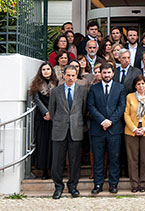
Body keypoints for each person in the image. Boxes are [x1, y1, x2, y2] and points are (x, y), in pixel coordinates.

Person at [48, 65, 88, 199]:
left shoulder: (83, 91)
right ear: (63, 75)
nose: (70, 78)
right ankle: (58, 187)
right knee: (57, 161)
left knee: (75, 160)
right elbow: (52, 111)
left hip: (76, 130)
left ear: (76, 76)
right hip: (59, 129)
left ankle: (73, 186)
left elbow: (84, 110)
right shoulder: (55, 91)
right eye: (68, 75)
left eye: (73, 75)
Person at [88, 63, 126, 194]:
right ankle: (98, 184)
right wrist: (102, 120)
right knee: (98, 158)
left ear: (113, 73)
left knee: (114, 158)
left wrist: (110, 121)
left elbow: (121, 107)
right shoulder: (94, 88)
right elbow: (91, 107)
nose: (107, 75)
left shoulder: (120, 88)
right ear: (100, 73)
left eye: (109, 72)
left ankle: (113, 184)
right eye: (104, 73)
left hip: (114, 129)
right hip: (98, 129)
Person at [123, 75, 145, 193]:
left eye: (143, 83)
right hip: (131, 131)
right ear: (135, 86)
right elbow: (126, 114)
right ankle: (134, 184)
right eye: (138, 84)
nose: (141, 86)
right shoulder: (130, 97)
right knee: (133, 159)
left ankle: (143, 183)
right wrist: (134, 128)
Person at [30, 63, 58, 180]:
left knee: (52, 144)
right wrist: (45, 113)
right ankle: (43, 170)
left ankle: (52, 169)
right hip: (41, 117)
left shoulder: (56, 83)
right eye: (43, 69)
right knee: (42, 143)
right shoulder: (36, 84)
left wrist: (52, 113)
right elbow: (36, 99)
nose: (46, 71)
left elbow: (58, 99)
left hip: (54, 117)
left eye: (48, 69)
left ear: (51, 71)